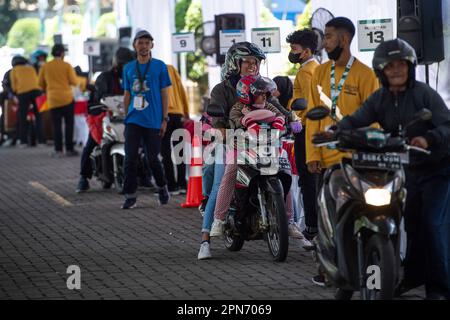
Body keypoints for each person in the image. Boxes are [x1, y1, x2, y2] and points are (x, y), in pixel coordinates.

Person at [336, 38, 450, 300]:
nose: (397, 70)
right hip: (405, 170)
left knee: (433, 225)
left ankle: (440, 290)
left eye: (402, 65)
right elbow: (357, 118)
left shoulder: (424, 94)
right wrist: (337, 130)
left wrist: (429, 139)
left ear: (410, 67)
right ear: (381, 71)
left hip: (437, 170)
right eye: (390, 66)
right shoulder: (380, 98)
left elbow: (447, 125)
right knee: (410, 225)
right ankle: (409, 277)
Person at [305, 17, 379, 286]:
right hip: (326, 159)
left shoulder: (366, 74)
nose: (324, 42)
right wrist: (312, 154)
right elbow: (313, 116)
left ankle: (369, 267)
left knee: (361, 214)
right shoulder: (320, 73)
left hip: (358, 158)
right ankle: (327, 270)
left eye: (328, 37)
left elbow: (375, 119)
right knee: (327, 218)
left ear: (344, 40)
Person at [197, 42, 266, 260]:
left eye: (256, 62)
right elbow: (217, 122)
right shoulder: (222, 89)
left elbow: (273, 110)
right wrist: (223, 133)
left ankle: (289, 222)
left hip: (257, 143)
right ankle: (205, 239)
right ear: (234, 64)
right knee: (218, 185)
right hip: (228, 144)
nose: (253, 66)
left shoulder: (262, 87)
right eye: (248, 61)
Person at [121, 29, 171, 209]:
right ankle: (130, 195)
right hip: (133, 119)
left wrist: (164, 118)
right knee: (130, 158)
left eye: (146, 42)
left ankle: (162, 186)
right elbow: (127, 94)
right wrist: (125, 118)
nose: (143, 46)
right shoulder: (128, 68)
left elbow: (165, 94)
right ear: (134, 45)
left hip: (153, 120)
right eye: (140, 42)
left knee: (152, 158)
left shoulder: (159, 66)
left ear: (152, 45)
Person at [76, 47, 135, 193]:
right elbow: (99, 97)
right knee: (91, 143)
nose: (126, 67)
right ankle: (83, 178)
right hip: (105, 118)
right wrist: (98, 105)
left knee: (140, 145)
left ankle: (144, 175)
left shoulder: (133, 77)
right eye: (123, 64)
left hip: (126, 118)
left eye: (129, 64)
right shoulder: (104, 77)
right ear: (117, 63)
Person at [286, 29, 320, 241]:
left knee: (308, 181)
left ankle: (312, 227)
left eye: (294, 49)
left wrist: (299, 120)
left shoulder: (306, 72)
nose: (292, 52)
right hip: (308, 128)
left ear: (306, 52)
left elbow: (308, 103)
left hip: (306, 130)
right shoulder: (317, 68)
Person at [38, 43, 79, 157]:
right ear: (62, 53)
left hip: (53, 99)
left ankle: (58, 150)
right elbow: (74, 82)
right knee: (69, 124)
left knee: (56, 125)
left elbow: (40, 84)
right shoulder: (67, 65)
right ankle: (70, 149)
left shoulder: (45, 66)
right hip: (67, 98)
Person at [161, 64, 190, 195]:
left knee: (165, 151)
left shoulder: (156, 72)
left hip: (164, 116)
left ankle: (171, 186)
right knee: (180, 151)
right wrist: (186, 111)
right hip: (178, 115)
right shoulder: (173, 70)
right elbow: (182, 91)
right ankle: (182, 184)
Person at [9, 55, 44, 147]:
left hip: (23, 93)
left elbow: (14, 85)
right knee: (38, 116)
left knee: (23, 117)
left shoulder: (14, 70)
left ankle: (23, 141)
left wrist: (15, 93)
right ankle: (41, 141)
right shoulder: (31, 68)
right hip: (37, 92)